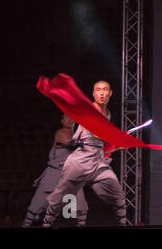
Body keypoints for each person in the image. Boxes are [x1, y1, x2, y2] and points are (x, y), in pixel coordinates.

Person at [42, 81, 126, 227]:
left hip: (98, 162)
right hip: (80, 161)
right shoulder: (90, 110)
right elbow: (97, 133)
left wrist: (117, 144)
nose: (101, 93)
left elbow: (100, 143)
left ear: (110, 93)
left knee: (118, 195)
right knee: (59, 197)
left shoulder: (108, 114)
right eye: (98, 90)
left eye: (105, 90)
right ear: (93, 94)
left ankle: (124, 225)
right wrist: (117, 138)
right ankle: (46, 224)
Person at [22, 114, 88, 227]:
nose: (70, 119)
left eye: (71, 118)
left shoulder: (74, 134)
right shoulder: (61, 132)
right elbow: (72, 144)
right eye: (67, 117)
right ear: (62, 121)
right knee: (36, 207)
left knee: (81, 206)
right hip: (53, 175)